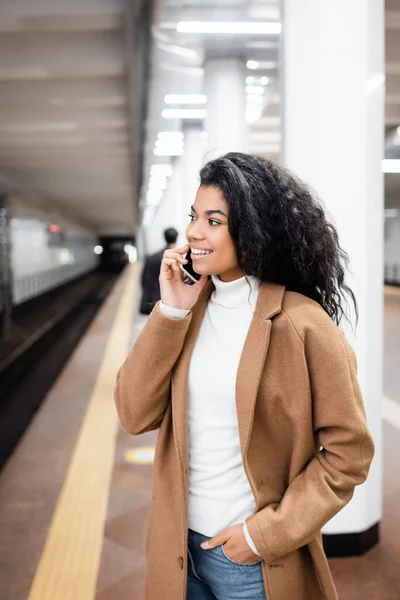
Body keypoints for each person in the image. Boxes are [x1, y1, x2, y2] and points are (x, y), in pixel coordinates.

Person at [115, 152, 374, 600]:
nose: (195, 231)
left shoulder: (302, 324)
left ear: (254, 229)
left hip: (252, 564)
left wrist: (262, 536)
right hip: (178, 553)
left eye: (214, 220)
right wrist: (171, 311)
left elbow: (348, 454)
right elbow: (134, 414)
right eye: (195, 216)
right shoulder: (187, 314)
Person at [139, 227, 178, 314]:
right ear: (176, 238)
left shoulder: (151, 257)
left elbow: (143, 280)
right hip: (168, 302)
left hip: (151, 300)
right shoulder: (175, 259)